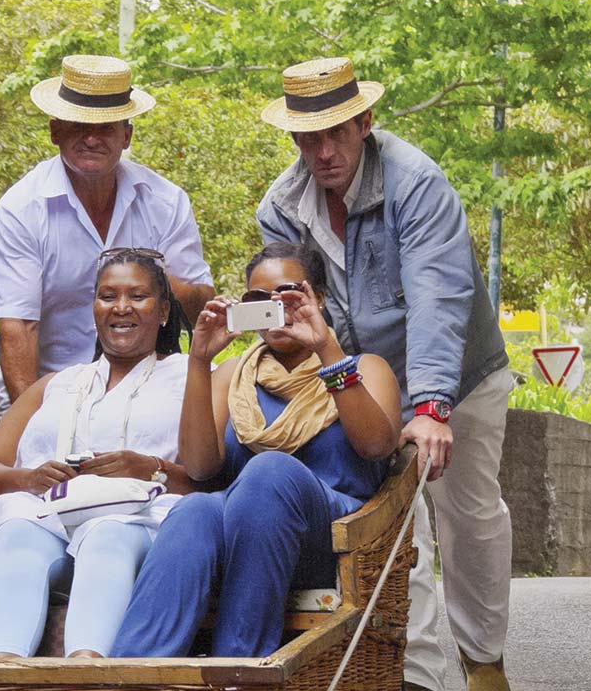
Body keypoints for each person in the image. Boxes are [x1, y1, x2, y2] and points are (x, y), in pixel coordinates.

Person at [256, 57, 515, 691]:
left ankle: (482, 651)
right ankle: (419, 680)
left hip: (459, 373)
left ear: (364, 122)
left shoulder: (416, 183)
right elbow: (289, 310)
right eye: (307, 139)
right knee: (399, 520)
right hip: (364, 380)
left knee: (467, 511)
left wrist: (430, 405)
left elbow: (436, 297)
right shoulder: (280, 207)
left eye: (336, 133)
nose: (323, 152)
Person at [112, 245, 401, 660]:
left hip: (332, 539)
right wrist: (200, 360)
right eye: (259, 300)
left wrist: (326, 351)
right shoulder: (234, 374)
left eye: (288, 296)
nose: (275, 309)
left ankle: (238, 666)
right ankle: (133, 683)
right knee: (194, 512)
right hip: (244, 537)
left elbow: (376, 445)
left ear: (317, 298)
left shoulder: (364, 367)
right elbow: (198, 466)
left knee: (269, 473)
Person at [0, 250, 194, 663]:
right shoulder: (57, 385)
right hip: (55, 522)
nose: (121, 307)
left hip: (139, 527)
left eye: (138, 296)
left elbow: (212, 475)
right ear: (94, 309)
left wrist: (152, 468)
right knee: (17, 532)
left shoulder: (189, 377)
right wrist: (30, 479)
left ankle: (85, 666)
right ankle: (1, 666)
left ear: (163, 310)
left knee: (105, 535)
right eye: (108, 296)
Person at [0, 54, 213, 415]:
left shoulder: (165, 202)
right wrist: (32, 427)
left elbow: (202, 310)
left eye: (106, 126)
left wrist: (154, 279)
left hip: (151, 393)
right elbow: (17, 331)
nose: (91, 138)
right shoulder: (21, 209)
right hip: (47, 392)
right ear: (55, 131)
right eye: (78, 125)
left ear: (127, 136)